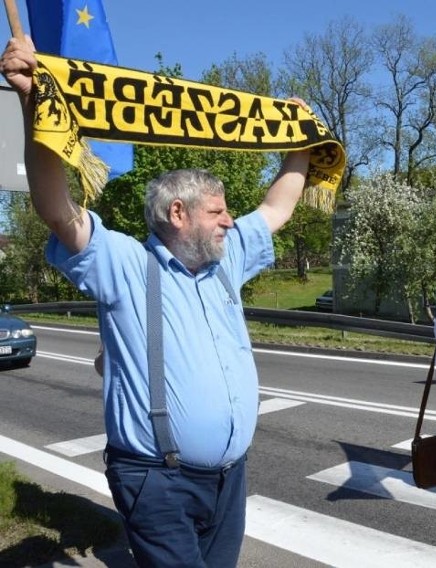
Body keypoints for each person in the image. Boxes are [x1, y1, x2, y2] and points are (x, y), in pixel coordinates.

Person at [2, 37, 311, 567]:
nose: (229, 221)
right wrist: (34, 104)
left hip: (228, 479)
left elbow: (277, 207)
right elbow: (58, 210)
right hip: (157, 478)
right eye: (217, 211)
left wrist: (301, 142)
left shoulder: (227, 257)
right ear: (177, 214)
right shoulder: (124, 264)